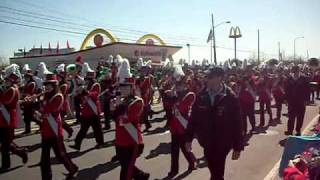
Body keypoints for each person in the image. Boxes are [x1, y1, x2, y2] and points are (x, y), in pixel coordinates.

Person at [186, 67, 244, 180]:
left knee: (217, 171)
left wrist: (238, 146)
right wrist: (188, 138)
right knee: (213, 168)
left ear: (220, 78)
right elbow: (193, 118)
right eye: (207, 77)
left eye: (211, 77)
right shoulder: (201, 95)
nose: (207, 80)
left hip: (224, 141)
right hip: (206, 141)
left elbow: (238, 122)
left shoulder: (230, 97)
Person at [36, 74, 78, 179]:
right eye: (46, 85)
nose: (47, 87)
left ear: (54, 85)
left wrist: (40, 107)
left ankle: (72, 168)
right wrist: (35, 101)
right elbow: (42, 110)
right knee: (44, 158)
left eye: (50, 85)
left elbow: (50, 109)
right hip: (46, 130)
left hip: (54, 130)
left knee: (60, 155)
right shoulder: (45, 96)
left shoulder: (58, 96)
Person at [112, 77, 150, 180]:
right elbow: (116, 120)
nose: (122, 89)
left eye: (125, 87)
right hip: (120, 140)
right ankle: (142, 176)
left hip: (132, 141)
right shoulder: (121, 100)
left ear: (132, 88)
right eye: (121, 87)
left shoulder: (137, 101)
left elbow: (123, 121)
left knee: (126, 171)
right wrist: (114, 108)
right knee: (126, 165)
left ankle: (141, 176)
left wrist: (117, 109)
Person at [167, 79, 196, 178]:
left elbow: (184, 106)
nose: (179, 87)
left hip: (183, 127)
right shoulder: (175, 96)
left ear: (185, 86)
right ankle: (174, 170)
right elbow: (168, 105)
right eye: (178, 85)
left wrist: (175, 98)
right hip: (175, 127)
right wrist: (171, 95)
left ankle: (192, 162)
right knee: (174, 151)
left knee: (184, 149)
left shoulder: (189, 95)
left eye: (181, 85)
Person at [0, 69, 28, 172]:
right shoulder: (7, 88)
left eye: (8, 80)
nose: (5, 81)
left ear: (12, 81)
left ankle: (6, 165)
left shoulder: (12, 89)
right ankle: (21, 152)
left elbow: (5, 101)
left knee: (5, 144)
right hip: (3, 116)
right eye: (5, 80)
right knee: (5, 142)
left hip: (8, 117)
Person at [70, 71, 104, 150]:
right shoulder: (84, 86)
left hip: (94, 111)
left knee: (97, 129)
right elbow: (81, 98)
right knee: (83, 129)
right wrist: (78, 92)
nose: (86, 81)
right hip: (86, 111)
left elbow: (95, 94)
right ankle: (77, 144)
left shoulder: (96, 85)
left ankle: (100, 143)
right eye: (86, 79)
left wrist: (85, 91)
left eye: (88, 79)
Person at [284, 65, 310, 136]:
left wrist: (306, 100)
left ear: (299, 71)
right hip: (291, 101)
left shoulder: (304, 78)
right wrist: (286, 99)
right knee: (291, 117)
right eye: (294, 71)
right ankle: (290, 131)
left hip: (301, 101)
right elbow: (286, 90)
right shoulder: (289, 79)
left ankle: (298, 130)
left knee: (300, 117)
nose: (295, 72)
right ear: (292, 71)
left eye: (297, 70)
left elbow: (307, 90)